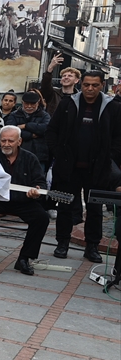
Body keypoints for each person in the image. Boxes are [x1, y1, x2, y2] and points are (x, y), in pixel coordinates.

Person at [47, 69, 119, 263]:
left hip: (97, 169)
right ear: (81, 84)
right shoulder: (68, 104)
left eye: (95, 85)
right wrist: (58, 153)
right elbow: (52, 130)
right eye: (86, 84)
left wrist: (108, 156)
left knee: (95, 209)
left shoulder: (112, 107)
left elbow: (118, 138)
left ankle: (92, 246)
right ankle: (62, 243)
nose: (90, 88)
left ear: (102, 85)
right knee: (64, 205)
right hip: (68, 167)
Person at [0, 126, 51, 275]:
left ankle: (24, 258)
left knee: (42, 218)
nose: (6, 144)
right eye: (3, 140)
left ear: (19, 141)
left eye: (10, 141)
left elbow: (40, 182)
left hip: (23, 200)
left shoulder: (30, 158)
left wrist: (36, 190)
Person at [5, 91, 51, 170]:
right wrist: (31, 135)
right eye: (26, 104)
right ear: (22, 102)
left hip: (39, 155)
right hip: (18, 154)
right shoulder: (14, 115)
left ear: (38, 103)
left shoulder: (45, 115)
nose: (29, 106)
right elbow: (11, 131)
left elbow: (46, 129)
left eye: (32, 104)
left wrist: (26, 126)